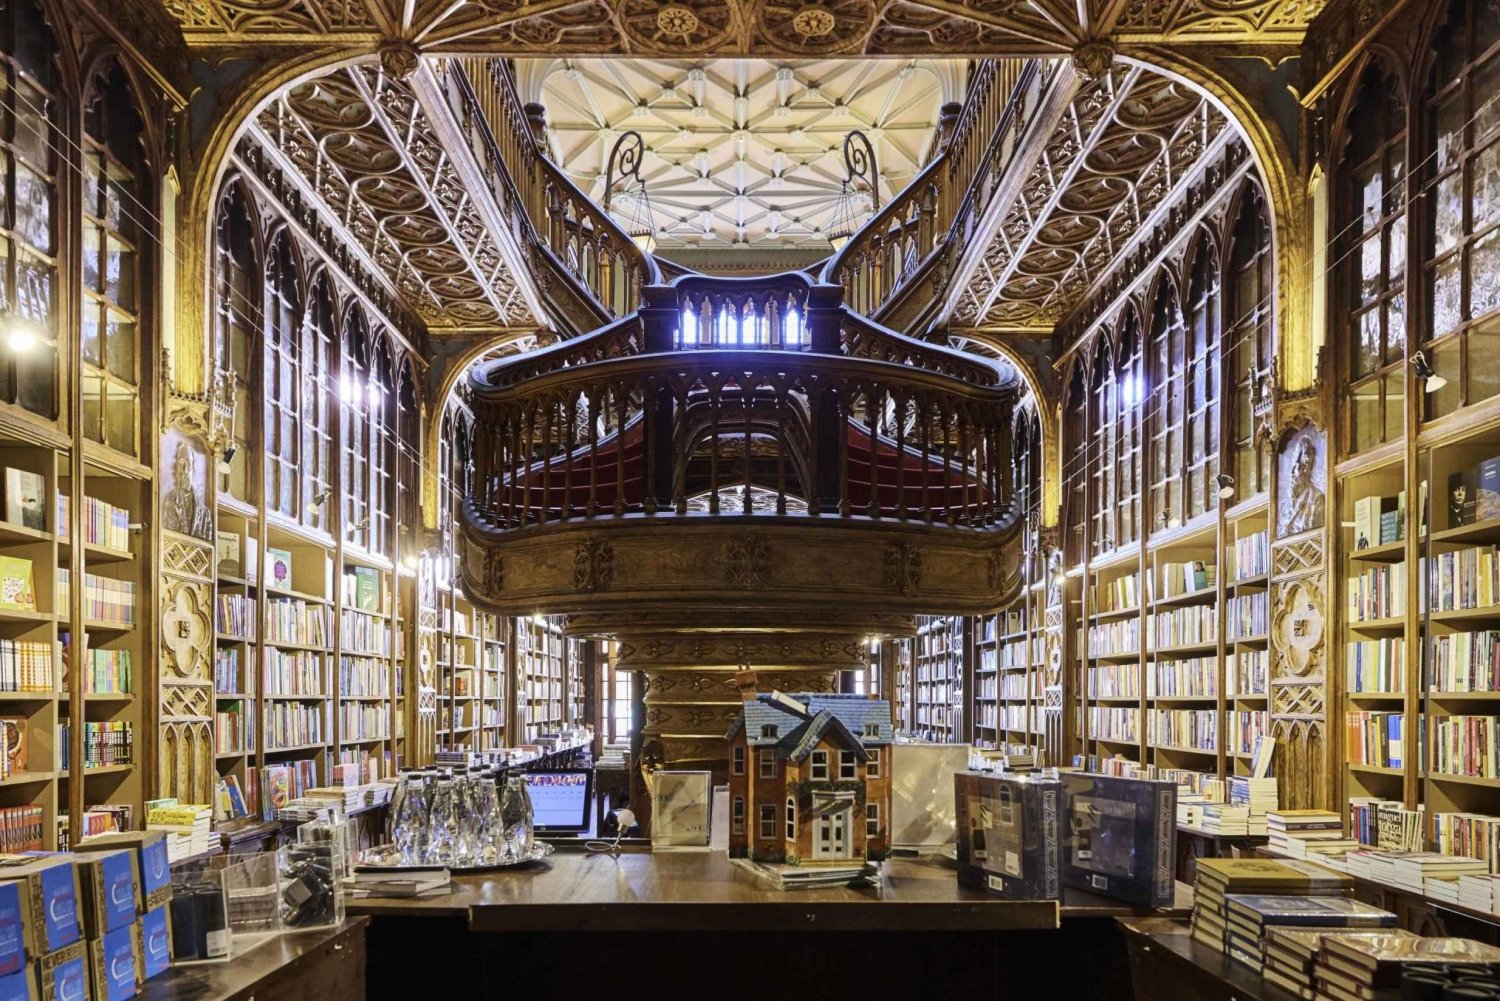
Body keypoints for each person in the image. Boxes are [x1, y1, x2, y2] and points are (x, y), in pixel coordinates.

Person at [163, 441, 214, 539]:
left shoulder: (205, 513)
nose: (185, 470)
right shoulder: (167, 502)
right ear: (176, 468)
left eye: (189, 464)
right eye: (181, 463)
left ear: (194, 470)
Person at [1280, 436, 1325, 535]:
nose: (1293, 472)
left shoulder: (1316, 499)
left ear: (1307, 469)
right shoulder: (1285, 505)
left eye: (1300, 465)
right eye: (1293, 464)